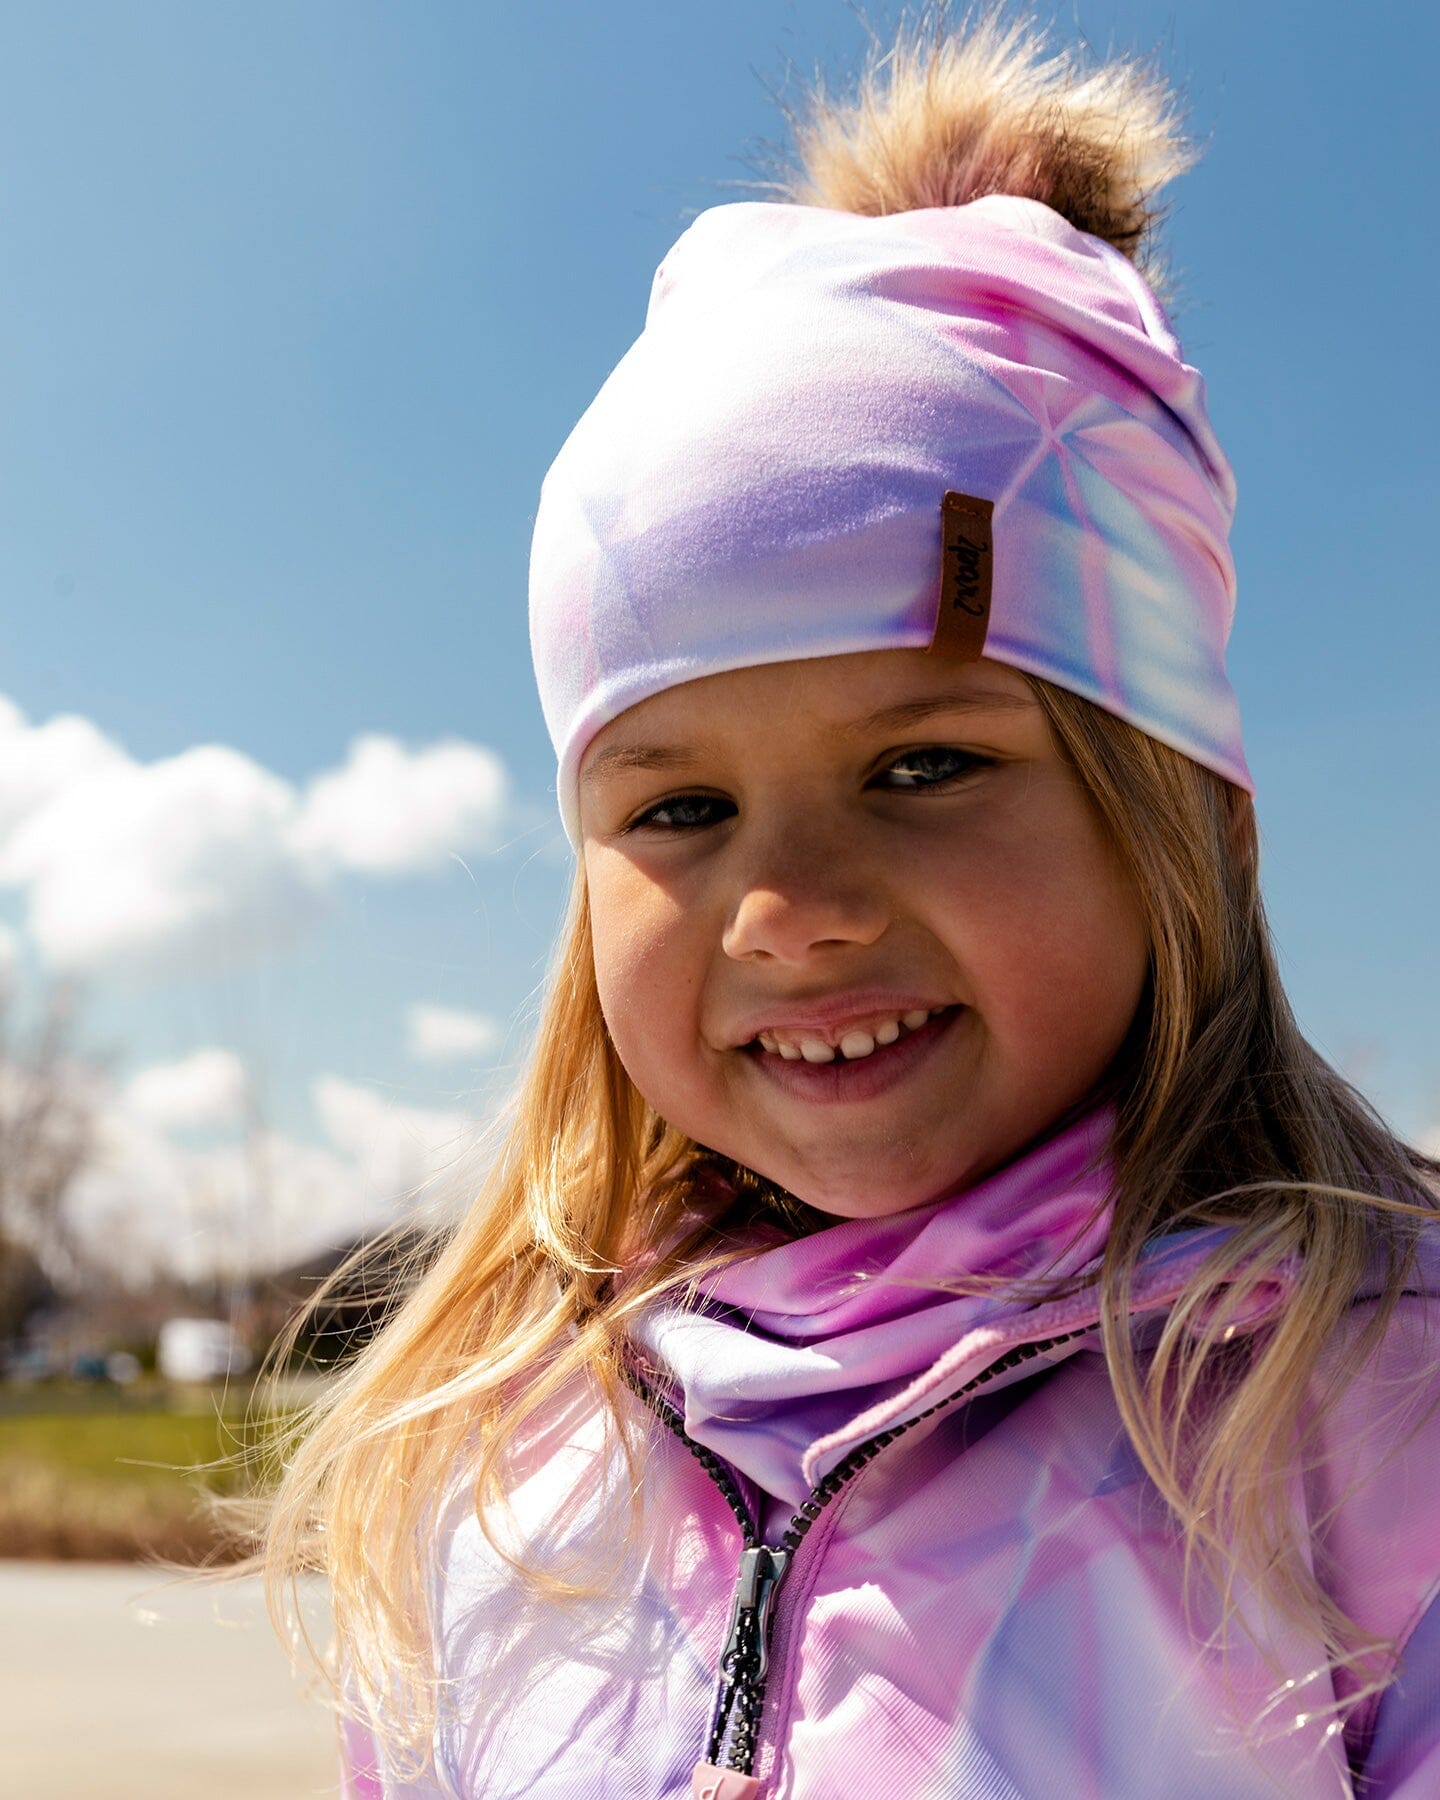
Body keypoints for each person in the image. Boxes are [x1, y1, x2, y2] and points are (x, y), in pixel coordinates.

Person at [259, 13, 1440, 1797]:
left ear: (1183, 819)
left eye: (925, 768)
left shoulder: (1368, 1427)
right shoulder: (499, 1476)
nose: (791, 907)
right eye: (680, 808)